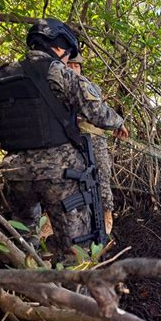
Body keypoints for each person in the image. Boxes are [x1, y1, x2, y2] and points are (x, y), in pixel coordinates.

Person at [0, 18, 128, 259]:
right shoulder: (57, 72)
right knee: (75, 247)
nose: (67, 60)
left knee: (23, 240)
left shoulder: (2, 77)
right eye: (68, 54)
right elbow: (96, 112)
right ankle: (72, 293)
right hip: (60, 176)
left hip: (16, 174)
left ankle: (24, 286)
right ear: (59, 47)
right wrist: (118, 123)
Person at [67, 54, 115, 234]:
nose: (73, 69)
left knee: (102, 175)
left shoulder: (89, 87)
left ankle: (107, 213)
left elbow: (98, 112)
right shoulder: (56, 88)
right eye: (69, 65)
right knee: (69, 181)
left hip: (94, 138)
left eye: (76, 66)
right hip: (71, 141)